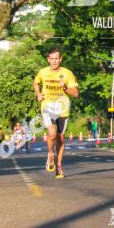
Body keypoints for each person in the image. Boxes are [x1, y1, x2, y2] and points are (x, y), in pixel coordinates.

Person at [33, 46, 79, 178]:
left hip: (62, 109)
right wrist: (38, 94)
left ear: (60, 59)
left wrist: (64, 87)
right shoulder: (43, 72)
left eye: (56, 59)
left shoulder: (67, 73)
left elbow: (75, 93)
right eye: (52, 59)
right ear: (48, 59)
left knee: (61, 139)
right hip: (47, 106)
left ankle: (59, 166)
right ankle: (50, 154)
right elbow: (35, 82)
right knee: (52, 134)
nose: (54, 61)